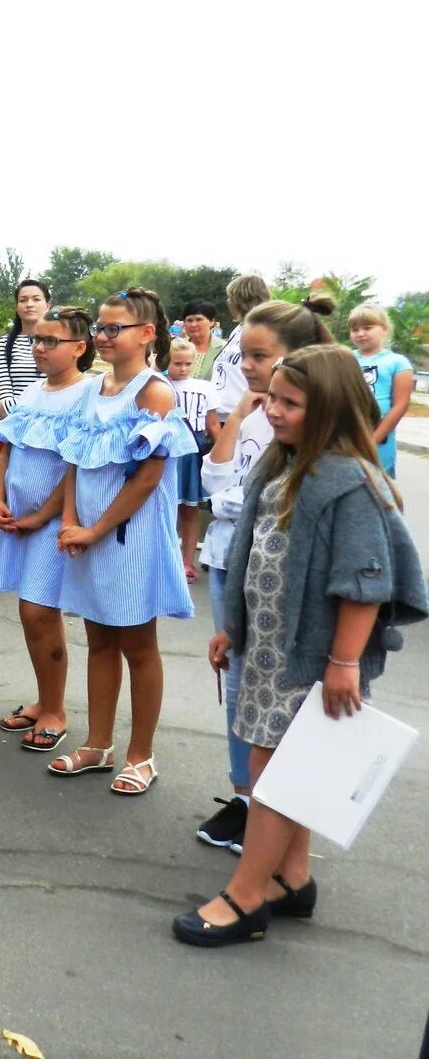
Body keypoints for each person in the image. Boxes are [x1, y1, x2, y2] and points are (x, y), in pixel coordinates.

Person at [174, 345, 426, 946]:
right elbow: (256, 556)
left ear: (332, 411)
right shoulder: (290, 466)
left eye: (291, 403)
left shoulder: (349, 483)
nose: (275, 411)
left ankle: (246, 896)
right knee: (290, 765)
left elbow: (365, 583)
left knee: (277, 773)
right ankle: (292, 877)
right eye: (274, 399)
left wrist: (342, 663)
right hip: (267, 651)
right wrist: (231, 627)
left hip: (311, 658)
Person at [194, 296, 335, 851]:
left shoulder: (310, 425)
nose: (247, 366)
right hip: (229, 556)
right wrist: (238, 417)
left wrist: (234, 500)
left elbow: (266, 502)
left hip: (277, 569)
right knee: (238, 683)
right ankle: (245, 797)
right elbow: (215, 482)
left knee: (277, 690)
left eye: (260, 355)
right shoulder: (253, 410)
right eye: (245, 356)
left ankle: (278, 810)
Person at [47, 288, 194, 794]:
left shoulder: (154, 393)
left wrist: (94, 528)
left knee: (138, 644)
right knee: (99, 639)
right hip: (88, 535)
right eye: (100, 329)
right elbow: (74, 459)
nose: (102, 337)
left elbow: (147, 480)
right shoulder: (93, 389)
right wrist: (70, 520)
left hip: (129, 539)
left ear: (147, 334)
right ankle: (98, 744)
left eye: (114, 329)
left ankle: (141, 755)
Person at [0, 306, 94, 752]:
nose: (40, 348)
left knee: (39, 612)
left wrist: (41, 516)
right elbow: (6, 452)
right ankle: (44, 698)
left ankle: (56, 711)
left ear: (80, 348)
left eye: (52, 341)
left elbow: (71, 469)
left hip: (49, 527)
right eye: (37, 340)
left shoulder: (85, 397)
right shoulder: (30, 394)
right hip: (19, 524)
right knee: (30, 615)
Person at [165, 337, 219, 582]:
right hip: (166, 450)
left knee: (189, 509)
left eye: (188, 363)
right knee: (165, 508)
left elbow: (212, 424)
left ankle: (187, 562)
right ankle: (165, 560)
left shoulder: (205, 388)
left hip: (192, 451)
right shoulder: (160, 383)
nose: (183, 368)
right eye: (177, 363)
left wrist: (220, 454)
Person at [0, 279, 53, 464]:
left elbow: (53, 391)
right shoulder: (4, 343)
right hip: (4, 430)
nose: (29, 304)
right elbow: (4, 392)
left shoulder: (57, 343)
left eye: (36, 299)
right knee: (4, 490)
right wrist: (20, 416)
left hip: (42, 434)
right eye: (23, 300)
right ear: (16, 306)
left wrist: (25, 417)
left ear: (48, 305)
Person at [348, 303, 413, 478]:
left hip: (379, 437)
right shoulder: (345, 358)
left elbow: (401, 405)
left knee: (378, 487)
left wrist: (374, 439)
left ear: (384, 329)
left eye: (367, 328)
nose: (360, 333)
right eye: (355, 329)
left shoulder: (398, 362)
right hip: (346, 434)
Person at [208, 274, 271, 423]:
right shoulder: (239, 329)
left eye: (231, 297)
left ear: (242, 300)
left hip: (244, 419)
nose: (227, 302)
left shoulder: (262, 330)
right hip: (221, 417)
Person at [180, 300, 226, 380]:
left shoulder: (225, 349)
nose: (193, 324)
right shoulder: (174, 347)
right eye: (189, 320)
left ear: (212, 322)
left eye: (199, 319)